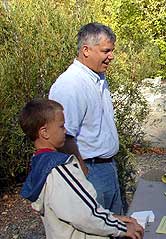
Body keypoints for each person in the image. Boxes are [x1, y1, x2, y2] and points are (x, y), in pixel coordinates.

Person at [19, 98, 144, 239]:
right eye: (61, 126)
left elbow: (78, 209)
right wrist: (122, 227)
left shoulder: (39, 164)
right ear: (44, 132)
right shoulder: (60, 169)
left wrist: (113, 216)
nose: (65, 131)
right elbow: (86, 215)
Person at [49, 22, 122, 214]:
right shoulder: (70, 85)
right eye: (106, 51)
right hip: (90, 172)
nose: (111, 56)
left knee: (116, 234)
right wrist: (83, 171)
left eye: (112, 51)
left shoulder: (97, 78)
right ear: (86, 50)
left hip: (106, 169)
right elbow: (62, 137)